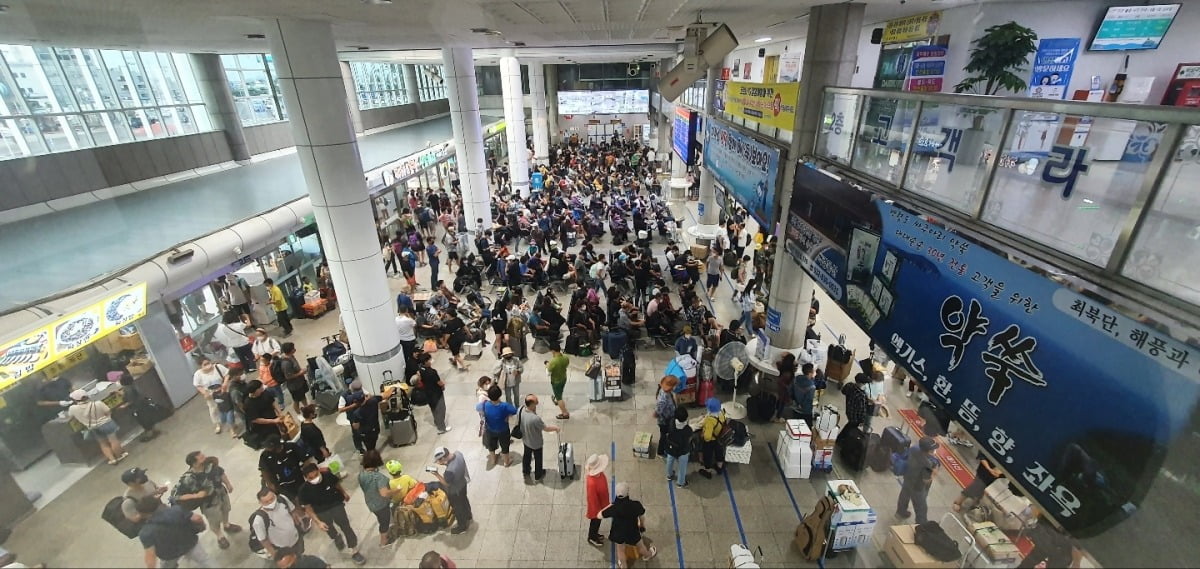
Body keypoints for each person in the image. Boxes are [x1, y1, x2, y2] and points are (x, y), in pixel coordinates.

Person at [297, 463, 366, 565]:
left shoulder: (328, 476)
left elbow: (336, 484)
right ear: (306, 478)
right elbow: (308, 508)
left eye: (316, 475)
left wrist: (344, 493)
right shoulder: (303, 491)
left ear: (319, 471)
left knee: (346, 527)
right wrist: (318, 522)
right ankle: (336, 537)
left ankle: (354, 550)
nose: (315, 478)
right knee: (329, 529)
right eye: (311, 478)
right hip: (321, 511)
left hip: (336, 505)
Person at [172, 451, 240, 549]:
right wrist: (195, 496)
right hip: (209, 503)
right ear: (194, 463)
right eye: (201, 457)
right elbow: (176, 496)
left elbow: (221, 473)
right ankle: (220, 537)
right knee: (214, 520)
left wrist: (228, 484)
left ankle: (227, 525)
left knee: (226, 509)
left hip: (221, 493)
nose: (205, 457)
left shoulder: (211, 465)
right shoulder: (188, 478)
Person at [133, 496, 213, 569]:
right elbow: (197, 518)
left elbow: (151, 557)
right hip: (189, 542)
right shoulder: (176, 510)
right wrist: (202, 526)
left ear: (143, 514)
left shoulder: (146, 532)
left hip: (169, 555)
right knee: (205, 560)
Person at [601, 482, 657, 569]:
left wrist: (610, 505)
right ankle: (648, 555)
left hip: (618, 532)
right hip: (632, 530)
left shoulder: (613, 508)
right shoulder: (636, 505)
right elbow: (642, 517)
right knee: (640, 545)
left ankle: (624, 566)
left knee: (620, 550)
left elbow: (599, 515)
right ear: (627, 493)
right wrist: (641, 525)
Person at [66, 389, 127, 465]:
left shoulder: (73, 409)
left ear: (75, 400)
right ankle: (119, 456)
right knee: (113, 440)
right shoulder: (98, 403)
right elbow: (108, 411)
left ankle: (112, 459)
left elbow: (70, 416)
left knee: (103, 444)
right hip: (106, 423)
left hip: (93, 428)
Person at [250, 487, 308, 562]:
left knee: (300, 557)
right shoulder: (259, 520)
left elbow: (293, 512)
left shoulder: (282, 499)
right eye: (266, 502)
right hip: (281, 548)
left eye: (272, 499)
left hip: (296, 539)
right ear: (260, 503)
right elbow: (264, 540)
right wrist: (275, 555)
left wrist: (300, 525)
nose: (271, 503)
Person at [357, 450, 398, 549]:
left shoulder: (361, 474)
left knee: (381, 519)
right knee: (384, 522)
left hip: (371, 503)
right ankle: (384, 541)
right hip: (381, 505)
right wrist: (396, 491)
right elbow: (384, 493)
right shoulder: (379, 477)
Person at [429, 447, 473, 535]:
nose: (439, 463)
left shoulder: (450, 472)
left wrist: (437, 474)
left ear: (443, 458)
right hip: (463, 484)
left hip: (455, 491)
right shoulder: (458, 453)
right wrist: (446, 463)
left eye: (439, 460)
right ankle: (468, 515)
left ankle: (462, 526)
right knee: (464, 500)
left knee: (458, 508)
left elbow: (446, 483)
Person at [518, 394, 561, 481]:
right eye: (536, 402)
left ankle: (525, 471)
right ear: (532, 404)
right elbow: (546, 428)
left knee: (526, 456)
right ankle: (538, 474)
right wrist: (556, 428)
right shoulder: (535, 418)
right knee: (538, 459)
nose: (538, 403)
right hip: (536, 442)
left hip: (526, 440)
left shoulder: (520, 409)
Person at [897, 436, 939, 524]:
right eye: (933, 450)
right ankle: (921, 525)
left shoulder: (914, 449)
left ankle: (901, 511)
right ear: (929, 451)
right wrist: (933, 473)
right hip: (917, 487)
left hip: (908, 477)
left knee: (904, 495)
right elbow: (926, 480)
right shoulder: (927, 464)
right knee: (921, 508)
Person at [259, 436, 313, 501]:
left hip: (297, 478)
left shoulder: (291, 447)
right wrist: (270, 483)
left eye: (268, 447)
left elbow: (306, 460)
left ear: (276, 446)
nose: (266, 449)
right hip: (280, 484)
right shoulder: (265, 455)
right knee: (292, 501)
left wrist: (307, 473)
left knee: (305, 496)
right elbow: (264, 470)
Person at [477, 385, 517, 468]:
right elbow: (514, 411)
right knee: (505, 445)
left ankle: (493, 460)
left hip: (490, 429)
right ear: (500, 394)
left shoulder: (485, 405)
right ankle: (506, 462)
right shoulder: (504, 406)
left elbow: (478, 408)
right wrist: (507, 416)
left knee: (491, 445)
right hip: (503, 430)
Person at [413, 353, 451, 434]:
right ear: (425, 362)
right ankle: (442, 428)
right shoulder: (432, 372)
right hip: (436, 394)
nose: (431, 361)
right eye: (429, 360)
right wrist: (443, 386)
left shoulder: (420, 369)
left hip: (427, 393)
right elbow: (439, 383)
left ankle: (436, 421)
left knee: (433, 409)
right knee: (441, 409)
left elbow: (419, 378)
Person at [192, 358, 231, 434]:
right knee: (213, 409)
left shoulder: (218, 367)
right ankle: (217, 424)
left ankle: (230, 422)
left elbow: (227, 374)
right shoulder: (198, 374)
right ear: (200, 366)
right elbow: (198, 385)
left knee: (227, 405)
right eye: (205, 364)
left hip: (222, 390)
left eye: (208, 363)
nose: (208, 365)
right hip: (210, 394)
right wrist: (204, 393)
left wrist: (225, 383)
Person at [243, 379, 282, 447]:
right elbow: (256, 419)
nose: (263, 388)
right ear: (256, 390)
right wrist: (273, 421)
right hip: (263, 429)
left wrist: (279, 412)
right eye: (261, 388)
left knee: (278, 437)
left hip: (273, 421)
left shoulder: (264, 392)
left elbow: (272, 401)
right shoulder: (248, 404)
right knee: (271, 443)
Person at [696, 397, 726, 479]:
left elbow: (707, 437)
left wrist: (703, 435)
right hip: (719, 437)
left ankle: (707, 471)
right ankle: (719, 468)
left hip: (711, 441)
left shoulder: (710, 420)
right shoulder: (722, 413)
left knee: (708, 455)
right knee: (719, 452)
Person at [584, 454, 610, 547]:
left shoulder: (599, 474)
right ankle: (592, 537)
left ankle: (595, 534)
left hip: (601, 504)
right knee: (595, 522)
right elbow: (592, 500)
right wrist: (598, 512)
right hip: (596, 509)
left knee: (597, 523)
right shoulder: (592, 483)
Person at [663, 407, 693, 488]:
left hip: (671, 447)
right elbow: (689, 439)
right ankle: (680, 482)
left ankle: (669, 475)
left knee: (669, 460)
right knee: (682, 466)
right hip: (682, 451)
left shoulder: (672, 422)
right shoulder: (687, 429)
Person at [279, 342, 308, 414]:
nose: (295, 349)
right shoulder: (286, 363)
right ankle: (298, 413)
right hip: (294, 386)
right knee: (296, 400)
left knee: (303, 396)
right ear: (291, 350)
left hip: (300, 382)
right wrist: (300, 373)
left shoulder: (291, 356)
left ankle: (307, 408)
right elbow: (288, 376)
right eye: (293, 348)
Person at [544, 344, 571, 420]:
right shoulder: (565, 357)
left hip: (556, 381)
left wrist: (547, 365)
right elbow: (567, 365)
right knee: (560, 391)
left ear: (553, 350)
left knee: (559, 398)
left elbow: (548, 373)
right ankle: (557, 398)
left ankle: (565, 413)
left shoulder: (553, 361)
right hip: (563, 378)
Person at [654, 376, 678, 458]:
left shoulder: (667, 393)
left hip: (669, 417)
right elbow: (657, 412)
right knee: (663, 436)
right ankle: (660, 452)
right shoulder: (663, 399)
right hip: (664, 421)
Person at [790, 362, 816, 428]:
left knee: (795, 427)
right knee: (806, 428)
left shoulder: (796, 378)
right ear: (810, 373)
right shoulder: (811, 387)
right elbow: (809, 400)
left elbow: (790, 390)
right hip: (805, 411)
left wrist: (794, 400)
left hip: (795, 407)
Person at [774, 354, 798, 423]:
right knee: (782, 403)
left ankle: (776, 410)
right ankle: (778, 417)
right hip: (785, 391)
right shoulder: (788, 373)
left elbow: (778, 363)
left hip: (781, 389)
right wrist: (788, 387)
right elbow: (781, 381)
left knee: (780, 401)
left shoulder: (782, 366)